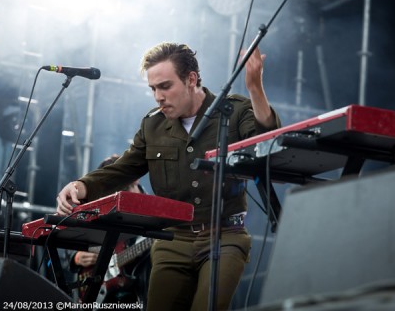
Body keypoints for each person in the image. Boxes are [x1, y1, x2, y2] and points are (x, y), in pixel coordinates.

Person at [57, 42, 280, 310]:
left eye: (165, 86)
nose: (158, 96)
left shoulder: (233, 111)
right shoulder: (152, 125)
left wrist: (255, 88)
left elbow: (266, 143)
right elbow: (123, 168)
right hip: (171, 240)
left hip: (225, 237)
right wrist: (81, 185)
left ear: (191, 79)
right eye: (153, 89)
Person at [69, 155, 151, 305]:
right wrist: (77, 256)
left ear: (135, 180)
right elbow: (80, 237)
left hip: (141, 295)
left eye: (121, 192)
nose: (116, 200)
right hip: (107, 297)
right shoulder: (106, 206)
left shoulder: (157, 214)